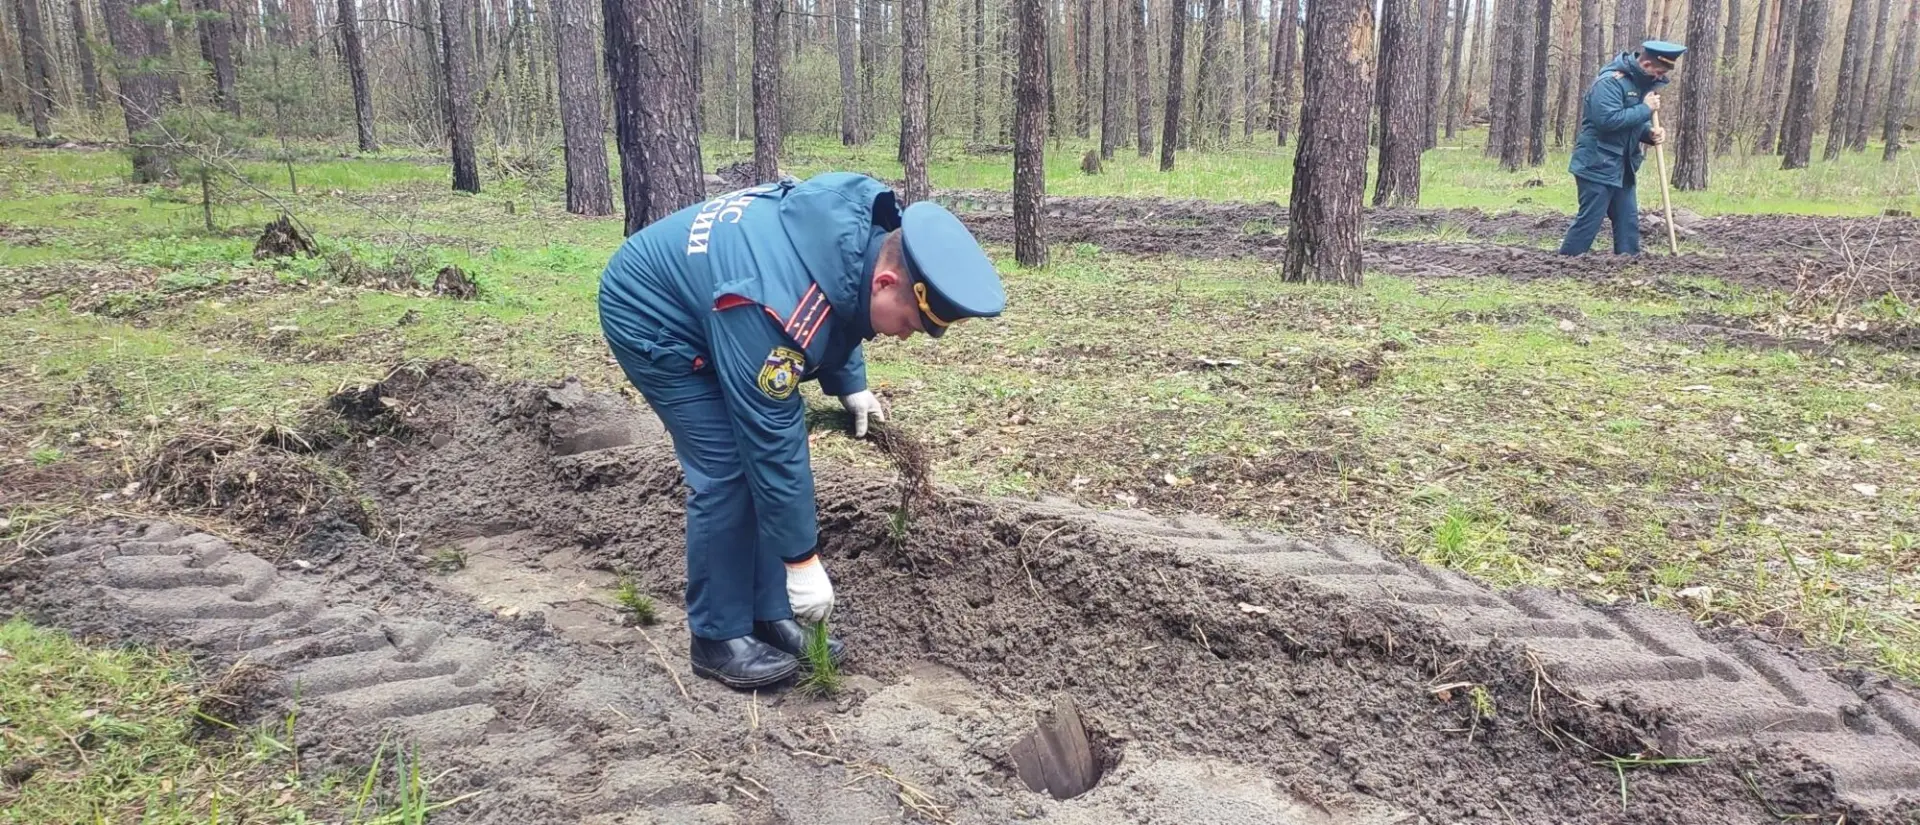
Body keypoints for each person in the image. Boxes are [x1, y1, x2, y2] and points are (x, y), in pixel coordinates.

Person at [597, 173, 1006, 690]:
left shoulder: (860, 236)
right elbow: (771, 438)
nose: (906, 337)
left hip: (721, 295)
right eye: (909, 323)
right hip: (654, 317)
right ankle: (717, 635)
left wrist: (848, 382)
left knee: (760, 466)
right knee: (728, 469)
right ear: (888, 283)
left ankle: (770, 614)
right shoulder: (772, 304)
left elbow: (840, 297)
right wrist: (803, 560)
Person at [1558, 40, 1687, 256]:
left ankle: (1628, 263)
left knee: (1628, 220)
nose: (1659, 77)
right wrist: (1645, 109)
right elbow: (1607, 120)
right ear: (1645, 64)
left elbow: (1631, 123)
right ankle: (1566, 263)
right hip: (1596, 163)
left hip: (1623, 165)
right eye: (1657, 72)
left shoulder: (1640, 85)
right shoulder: (1609, 83)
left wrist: (1649, 134)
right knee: (1591, 219)